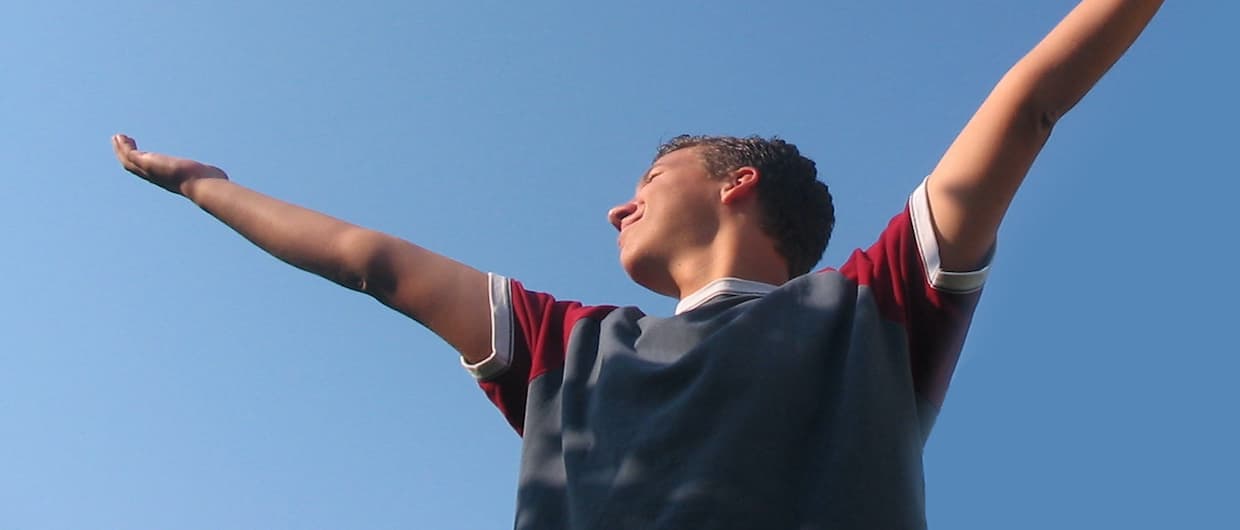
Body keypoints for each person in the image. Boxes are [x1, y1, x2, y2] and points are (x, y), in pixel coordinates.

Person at [112, 1, 1163, 527]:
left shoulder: (873, 309)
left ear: (737, 185)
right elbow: (370, 263)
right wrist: (204, 187)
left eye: (654, 174)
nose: (620, 202)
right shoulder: (567, 348)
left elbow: (1030, 101)